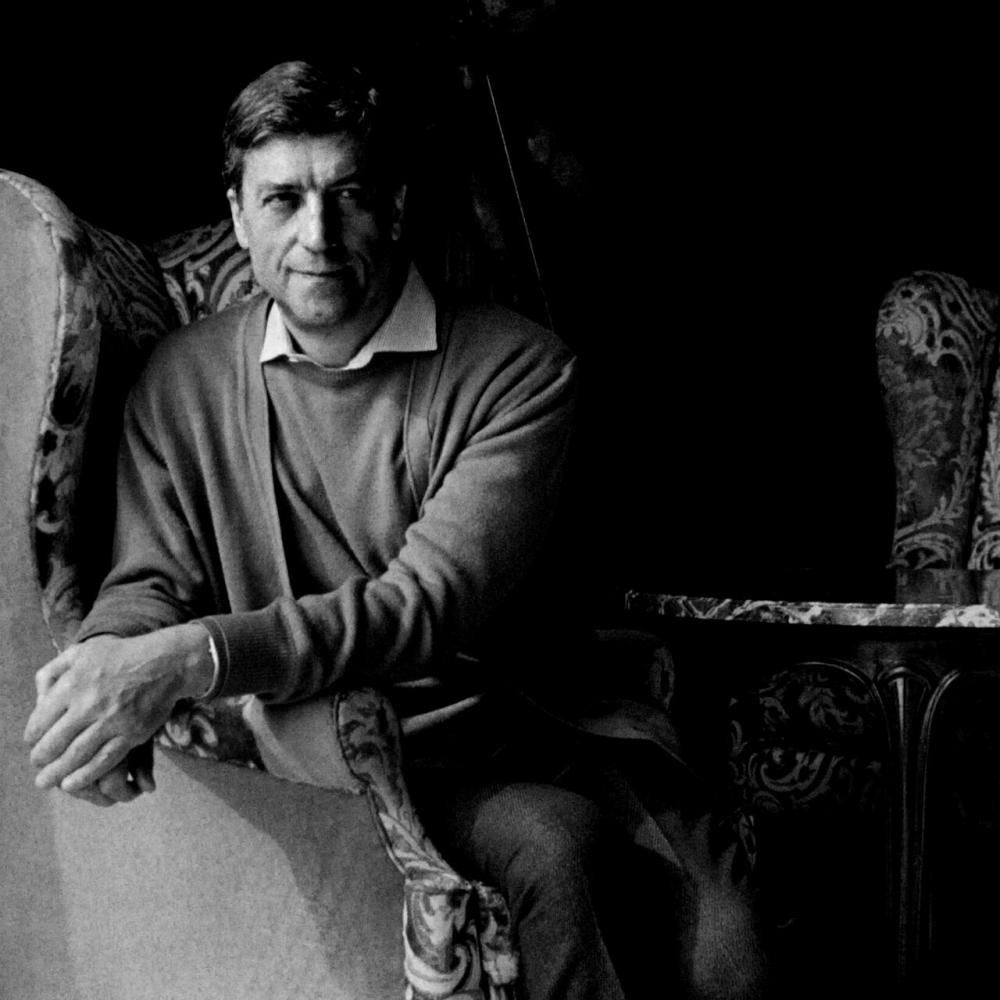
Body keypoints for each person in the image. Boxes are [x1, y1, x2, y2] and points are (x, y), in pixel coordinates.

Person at [23, 60, 764, 998]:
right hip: (373, 756)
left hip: (540, 724)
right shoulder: (181, 380)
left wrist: (188, 658)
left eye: (349, 196)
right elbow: (148, 581)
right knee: (556, 846)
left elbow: (421, 608)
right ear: (239, 214)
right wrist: (105, 680)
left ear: (397, 205)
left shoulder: (519, 371)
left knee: (729, 961)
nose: (318, 236)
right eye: (283, 200)